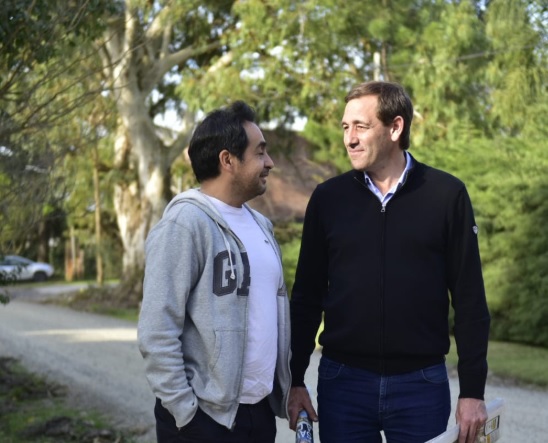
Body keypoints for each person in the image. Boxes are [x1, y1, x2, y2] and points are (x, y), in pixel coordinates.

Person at [288, 81, 491, 443]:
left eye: (360, 126)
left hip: (421, 387)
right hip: (343, 384)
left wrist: (472, 391)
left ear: (396, 127)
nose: (349, 138)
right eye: (345, 127)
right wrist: (296, 379)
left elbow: (470, 300)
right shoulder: (328, 199)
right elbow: (306, 296)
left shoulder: (447, 195)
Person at [137, 100, 291, 443]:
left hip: (258, 414)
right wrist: (185, 413)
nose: (270, 162)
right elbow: (157, 331)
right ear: (228, 160)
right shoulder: (184, 225)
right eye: (260, 152)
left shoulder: (262, 226)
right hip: (203, 419)